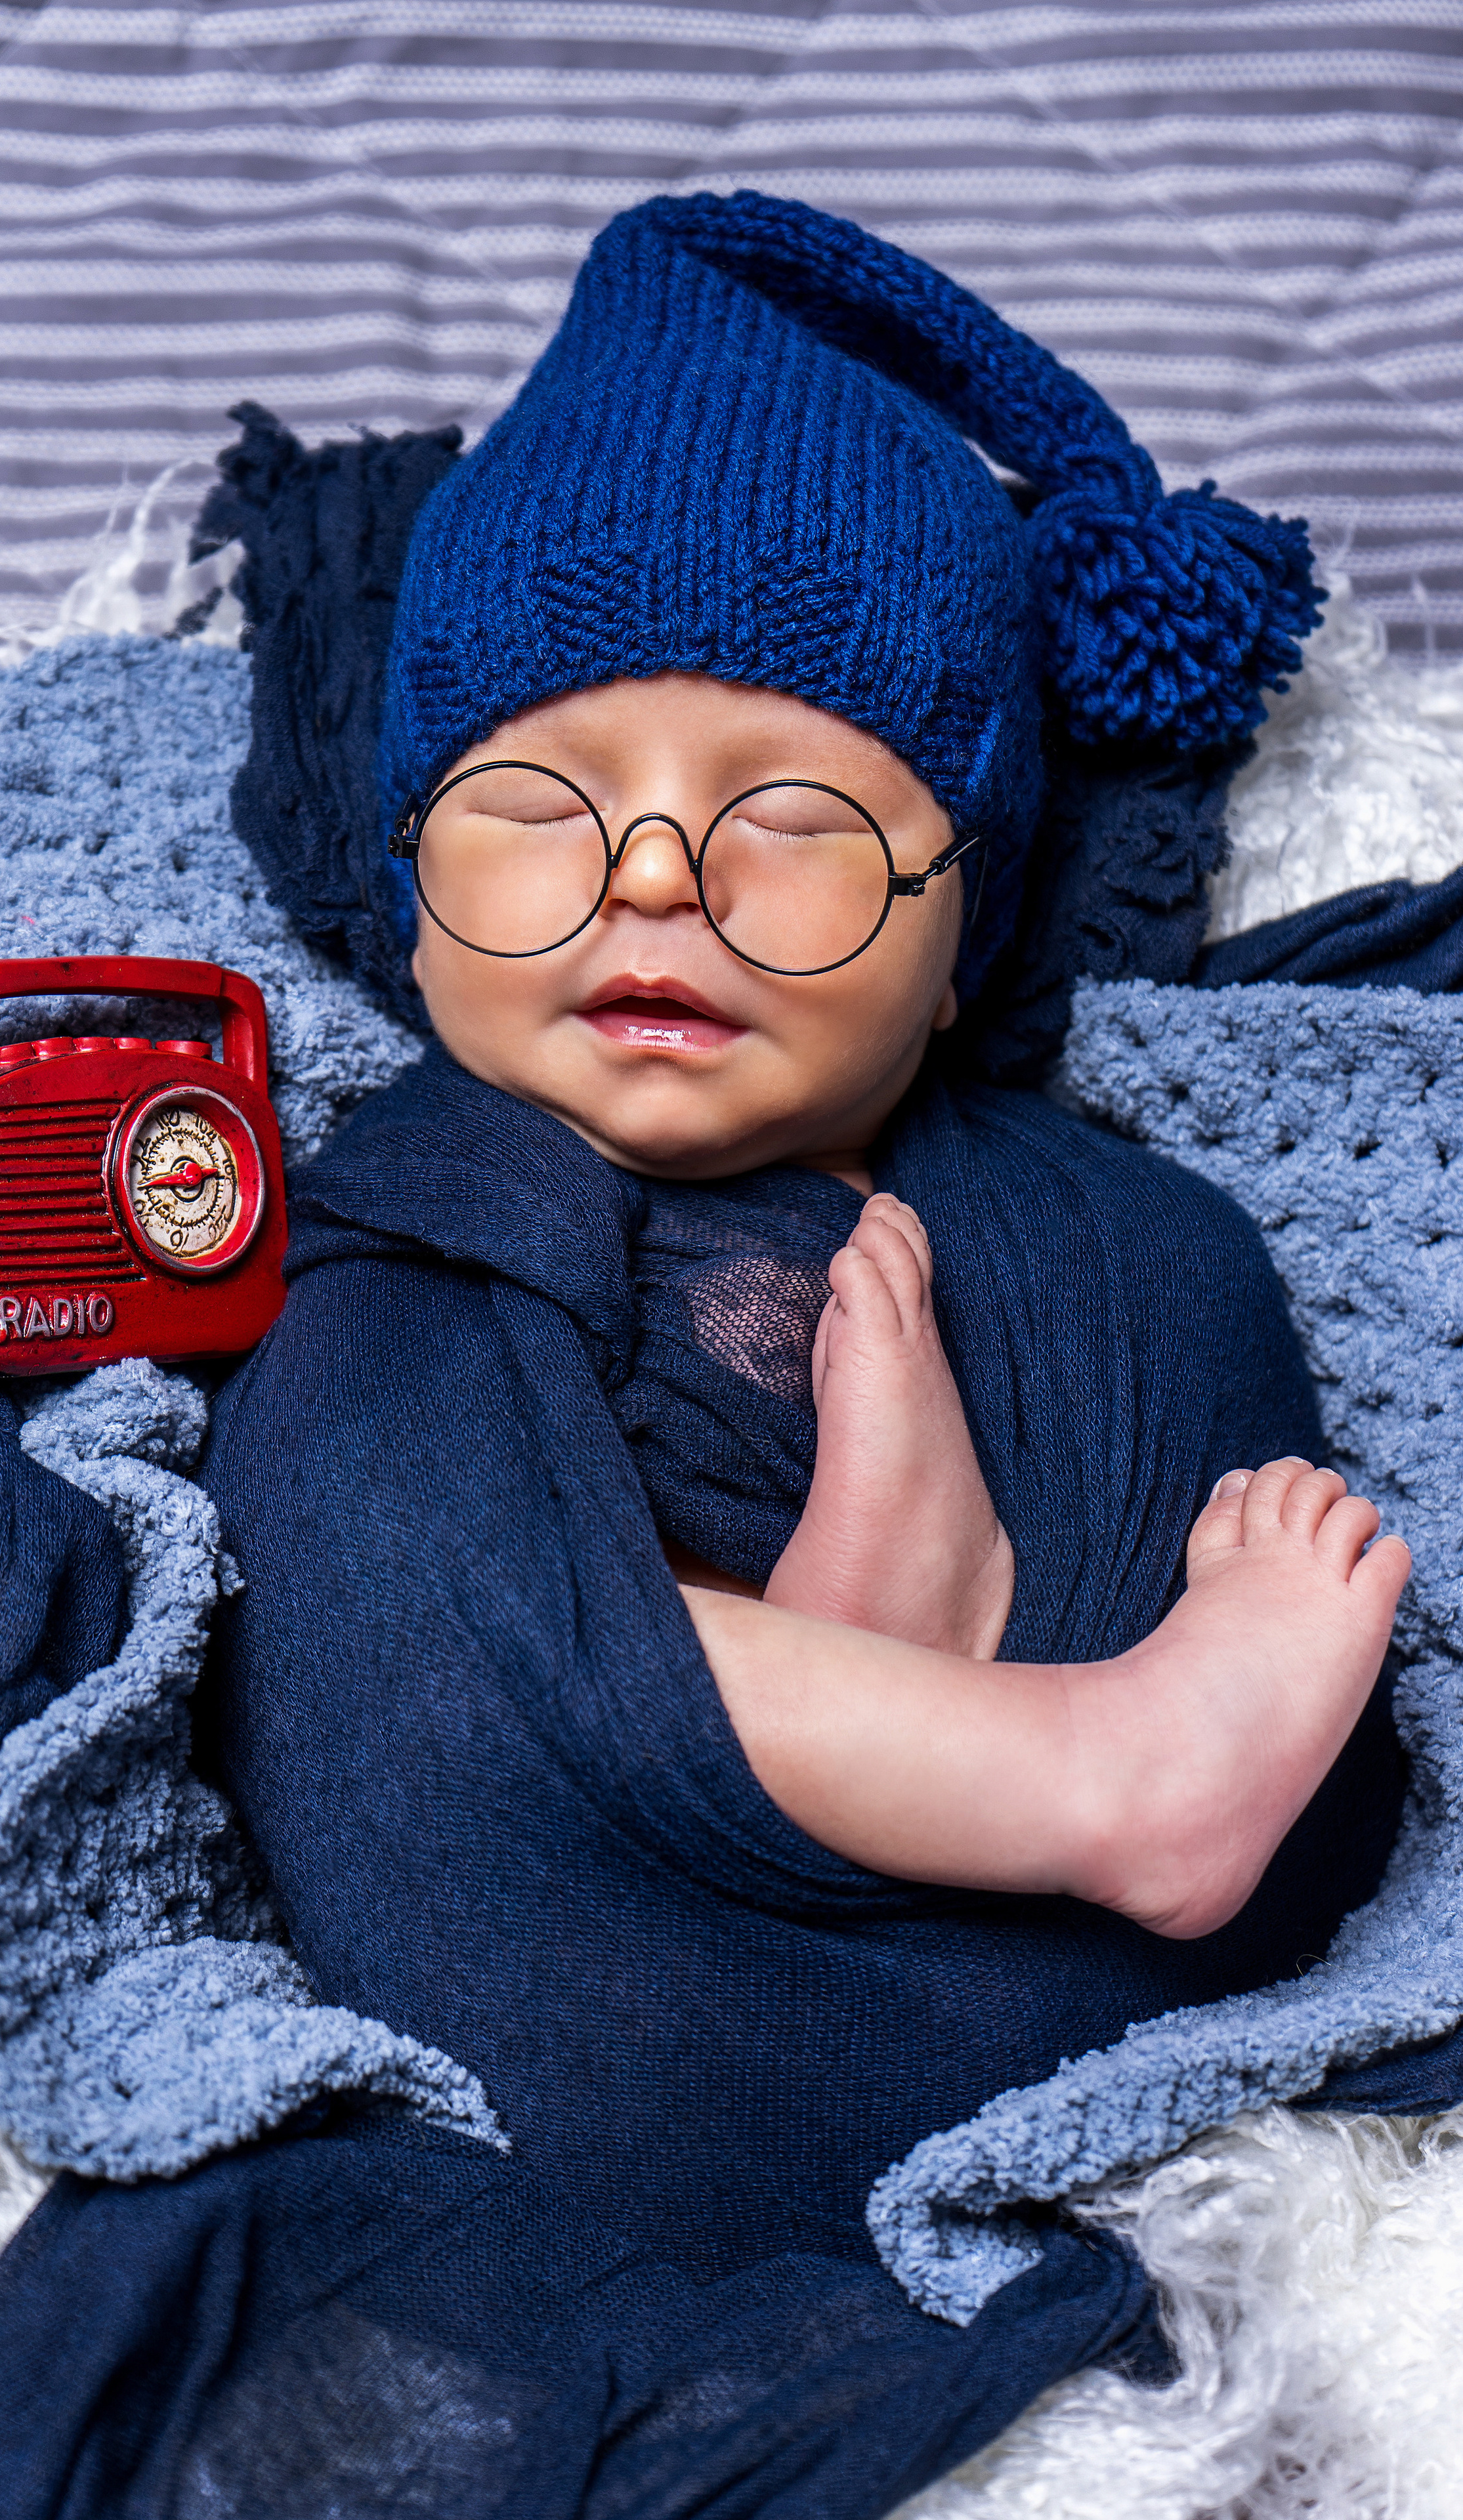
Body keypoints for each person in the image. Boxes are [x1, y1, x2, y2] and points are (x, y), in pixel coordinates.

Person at [200, 189, 1410, 2283]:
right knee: (334, 1479)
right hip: (574, 1948)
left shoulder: (1088, 1219)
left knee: (1165, 1273)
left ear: (959, 947)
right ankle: (1079, 1761)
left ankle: (922, 1703)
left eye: (792, 823)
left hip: (950, 1988)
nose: (659, 878)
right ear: (408, 896)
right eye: (541, 811)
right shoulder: (395, 1202)